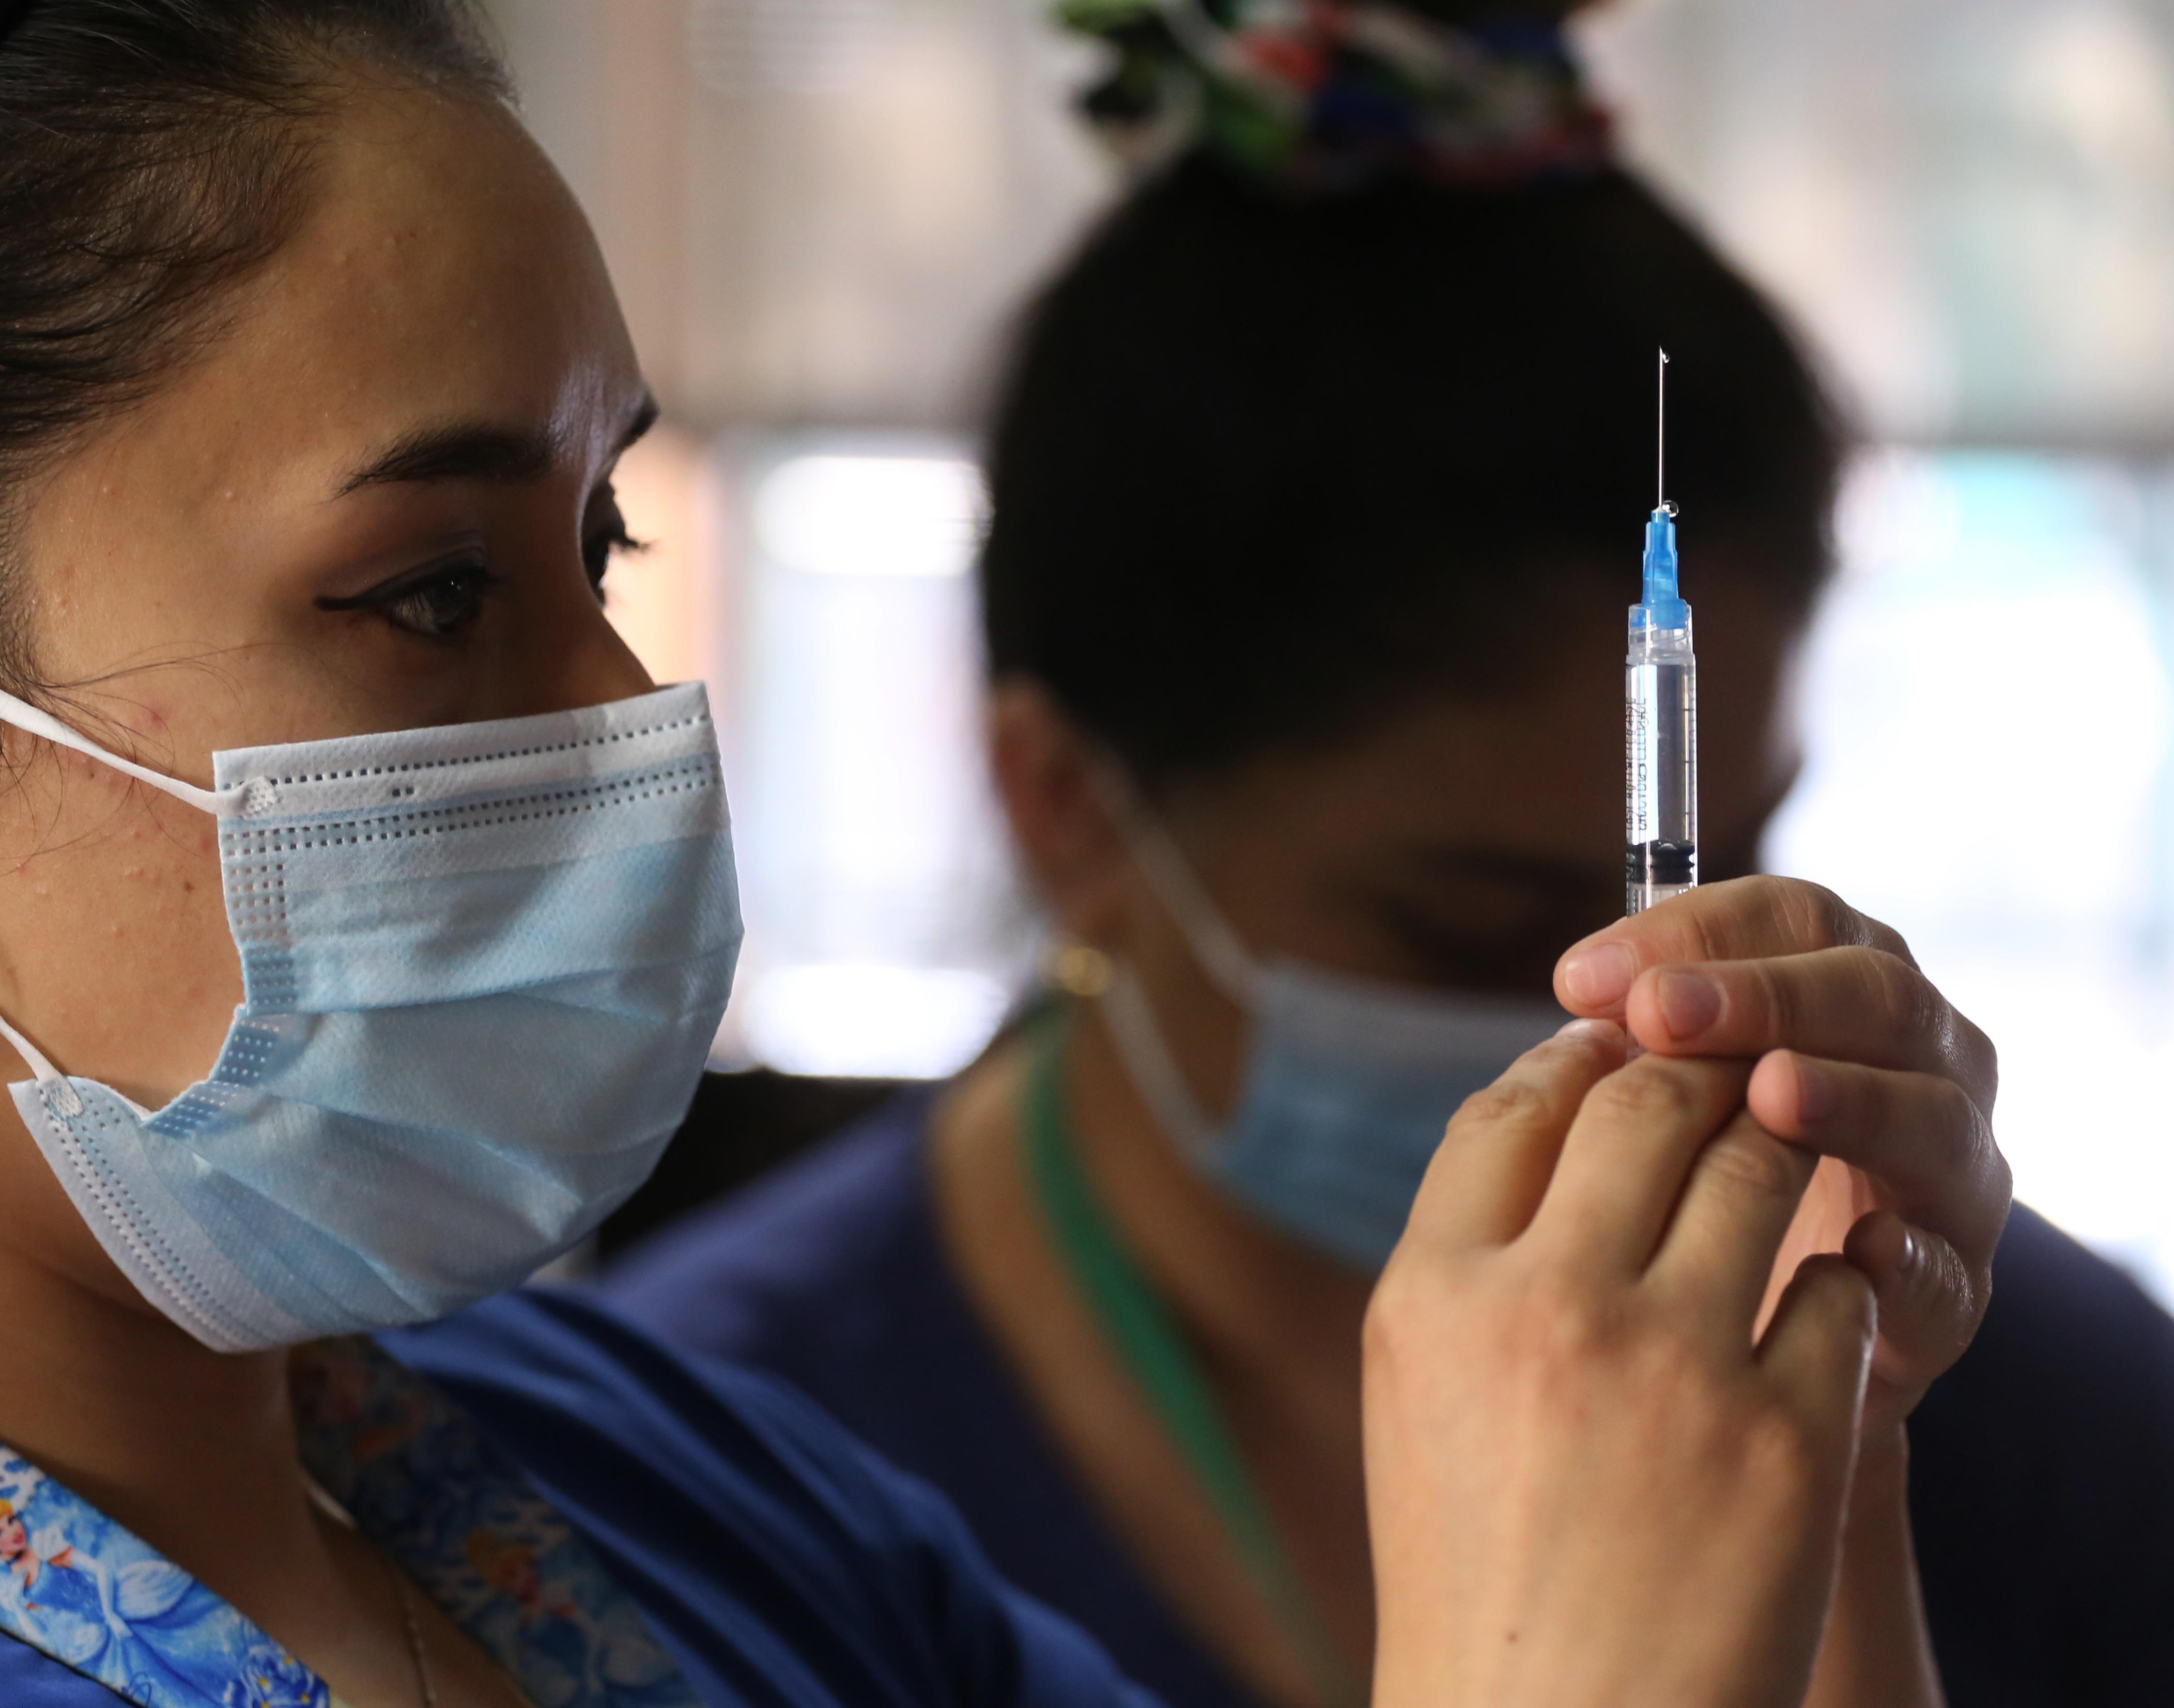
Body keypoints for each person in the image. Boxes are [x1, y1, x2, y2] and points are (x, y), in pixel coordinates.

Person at [0, 2, 2006, 1705]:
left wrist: (1794, 1483)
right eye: (430, 590)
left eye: (603, 542)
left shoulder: (648, 1486)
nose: (617, 707)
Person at [600, 4, 2167, 1706]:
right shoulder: (677, 1502)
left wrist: (1851, 1519)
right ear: (1062, 799)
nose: (1639, 1014)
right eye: (1465, 919)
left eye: (1729, 874)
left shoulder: (2031, 1412)